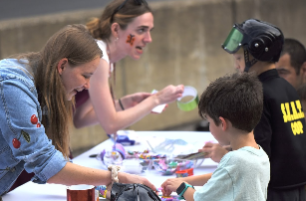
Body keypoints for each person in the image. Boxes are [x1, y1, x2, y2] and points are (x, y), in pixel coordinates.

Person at [0, 24, 155, 201]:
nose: (87, 86)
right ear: (62, 66)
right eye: (86, 75)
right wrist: (115, 177)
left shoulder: (40, 82)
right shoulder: (13, 85)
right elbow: (44, 163)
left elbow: (48, 162)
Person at [201, 19, 306, 200]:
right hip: (298, 185)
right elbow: (282, 137)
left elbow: (259, 152)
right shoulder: (286, 87)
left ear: (256, 55)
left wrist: (225, 153)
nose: (236, 65)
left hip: (274, 188)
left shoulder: (259, 92)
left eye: (239, 58)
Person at [73, 0, 184, 134]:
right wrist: (157, 99)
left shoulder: (106, 58)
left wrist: (123, 103)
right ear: (116, 30)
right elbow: (110, 125)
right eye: (141, 30)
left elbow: (80, 119)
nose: (148, 39)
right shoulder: (99, 58)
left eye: (149, 31)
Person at [161, 72, 270, 201]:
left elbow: (199, 199)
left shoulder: (235, 160)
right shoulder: (259, 155)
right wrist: (183, 179)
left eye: (209, 122)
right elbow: (221, 177)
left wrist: (182, 187)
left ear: (222, 123)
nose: (209, 126)